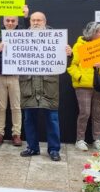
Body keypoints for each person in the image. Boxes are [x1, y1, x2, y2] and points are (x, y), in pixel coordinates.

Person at [19, 11, 71, 161]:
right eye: (33, 20)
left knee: (52, 120)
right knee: (29, 119)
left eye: (39, 20)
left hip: (49, 86)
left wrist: (69, 53)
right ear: (30, 22)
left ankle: (54, 149)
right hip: (28, 85)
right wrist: (5, 49)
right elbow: (12, 57)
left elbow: (64, 61)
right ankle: (32, 147)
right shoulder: (21, 38)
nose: (35, 23)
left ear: (45, 22)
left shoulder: (56, 38)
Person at [67, 21, 100, 151]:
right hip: (83, 86)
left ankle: (97, 140)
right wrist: (80, 77)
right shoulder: (79, 46)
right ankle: (80, 140)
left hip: (98, 85)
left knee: (97, 114)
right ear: (93, 33)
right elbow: (71, 66)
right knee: (85, 113)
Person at [0, 7, 29, 147]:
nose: (10, 23)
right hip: (0, 75)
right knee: (1, 107)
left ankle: (16, 134)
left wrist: (26, 17)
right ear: (3, 21)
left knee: (16, 107)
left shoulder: (21, 34)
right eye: (8, 20)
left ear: (17, 22)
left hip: (15, 76)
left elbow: (30, 35)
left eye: (13, 20)